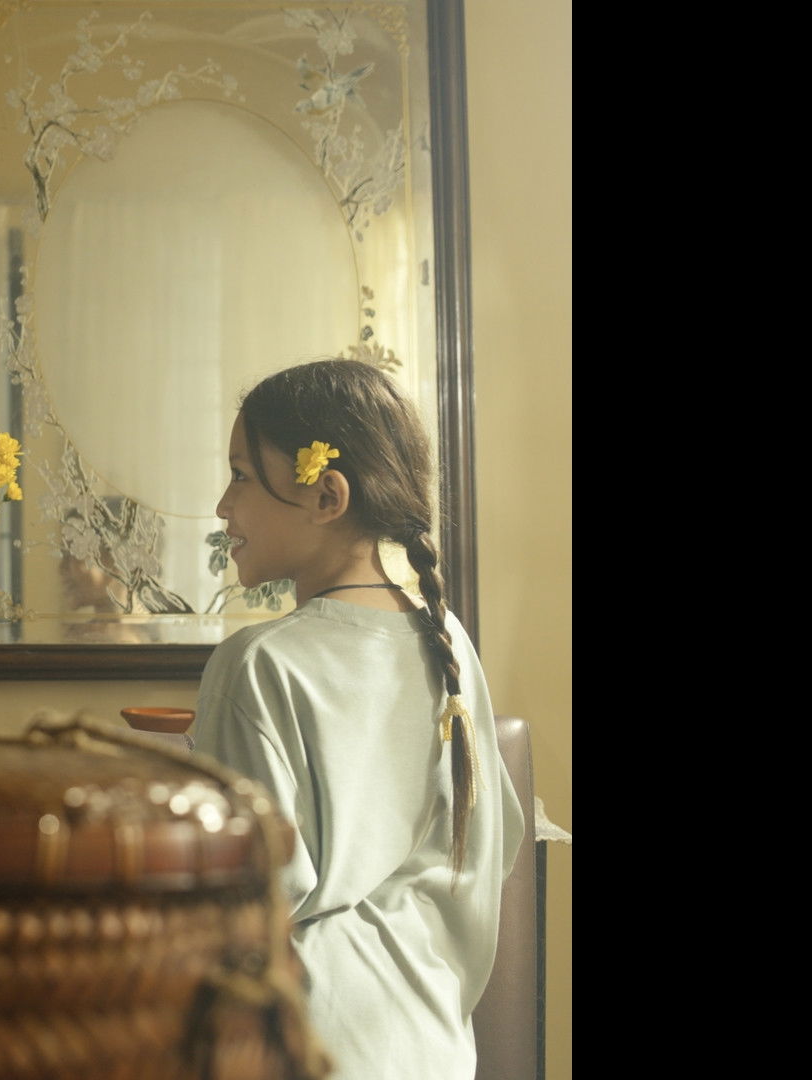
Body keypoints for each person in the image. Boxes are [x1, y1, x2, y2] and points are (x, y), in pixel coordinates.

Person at [191, 358, 524, 1080]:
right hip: (436, 1048)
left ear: (326, 496)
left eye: (241, 475)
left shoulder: (258, 664)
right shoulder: (449, 643)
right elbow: (494, 849)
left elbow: (237, 910)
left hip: (304, 1047)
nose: (222, 505)